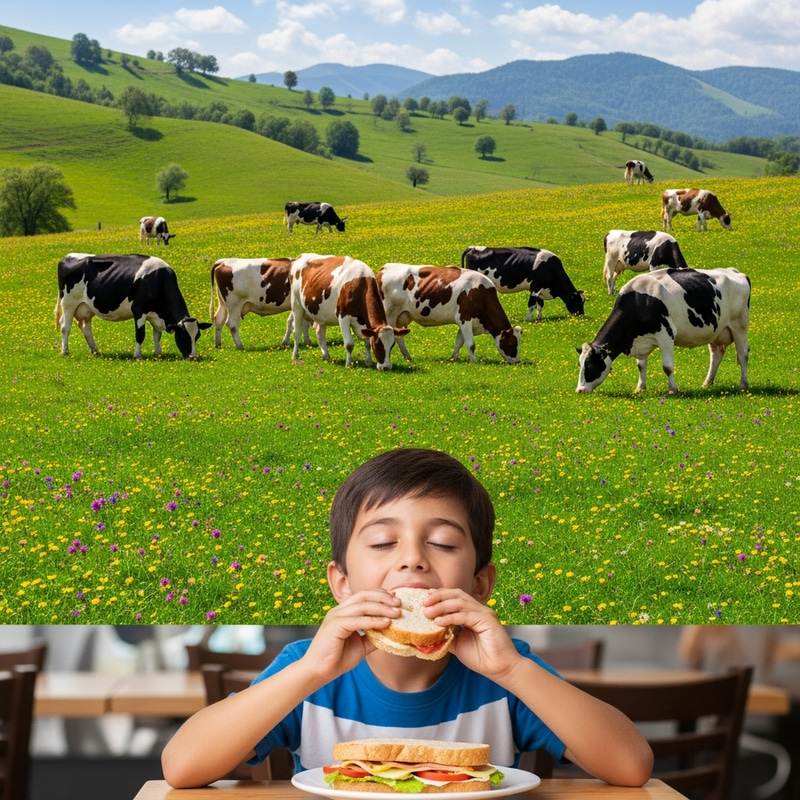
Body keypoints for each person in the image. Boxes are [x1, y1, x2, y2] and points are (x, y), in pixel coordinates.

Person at [162, 448, 653, 789]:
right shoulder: (308, 671)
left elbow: (632, 766)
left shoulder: (504, 675)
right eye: (381, 542)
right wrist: (309, 672)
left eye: (441, 543)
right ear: (343, 584)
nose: (413, 560)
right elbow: (181, 767)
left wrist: (513, 671)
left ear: (480, 585)